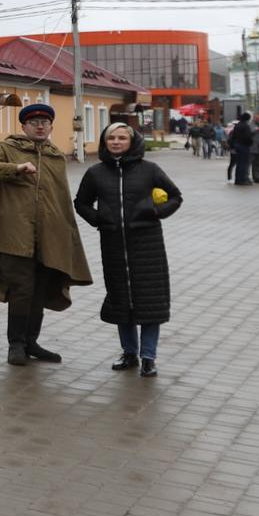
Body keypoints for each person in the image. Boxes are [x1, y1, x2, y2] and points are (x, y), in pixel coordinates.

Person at [0, 101, 92, 366]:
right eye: (34, 122)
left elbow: (61, 200)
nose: (40, 126)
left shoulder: (55, 156)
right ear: (23, 126)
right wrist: (14, 169)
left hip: (48, 237)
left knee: (40, 289)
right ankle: (16, 344)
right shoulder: (7, 149)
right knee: (22, 289)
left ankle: (31, 342)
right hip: (13, 236)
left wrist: (67, 236)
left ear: (50, 126)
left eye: (45, 123)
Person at [75, 121, 182, 378]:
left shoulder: (150, 170)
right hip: (112, 244)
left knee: (150, 301)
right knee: (121, 300)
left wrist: (156, 212)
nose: (116, 142)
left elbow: (175, 196)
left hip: (148, 244)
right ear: (104, 142)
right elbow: (81, 203)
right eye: (111, 138)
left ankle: (148, 356)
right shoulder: (96, 173)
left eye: (122, 138)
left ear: (131, 141)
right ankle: (129, 352)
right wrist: (99, 219)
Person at [225, 111, 256, 185]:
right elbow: (247, 137)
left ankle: (238, 179)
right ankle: (243, 179)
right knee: (244, 163)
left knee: (239, 163)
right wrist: (251, 142)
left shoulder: (237, 125)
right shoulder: (246, 126)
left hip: (237, 145)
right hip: (244, 146)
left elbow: (233, 136)